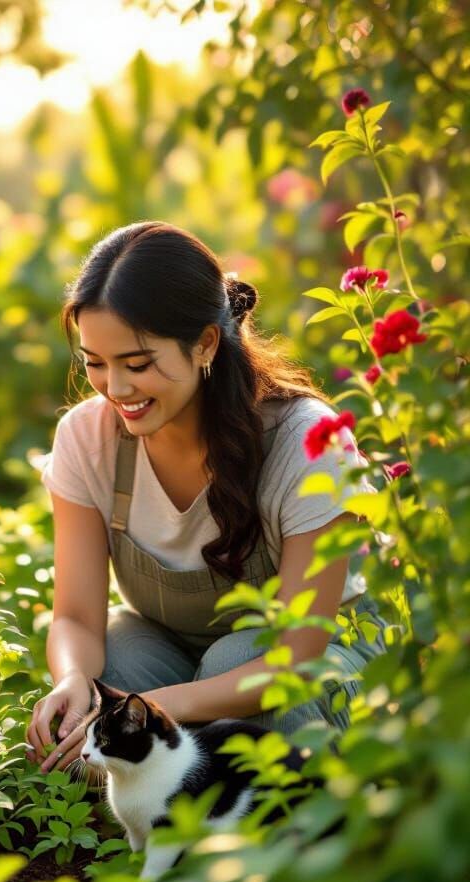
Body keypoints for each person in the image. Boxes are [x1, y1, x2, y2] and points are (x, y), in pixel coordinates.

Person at [27, 221, 384, 771]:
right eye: (94, 362)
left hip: (315, 666)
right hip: (176, 659)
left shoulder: (305, 440)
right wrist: (75, 680)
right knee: (114, 662)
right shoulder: (88, 437)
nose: (115, 389)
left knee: (238, 653)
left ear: (205, 344)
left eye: (138, 364)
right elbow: (76, 616)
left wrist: (155, 707)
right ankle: (173, 823)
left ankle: (304, 825)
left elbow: (297, 653)